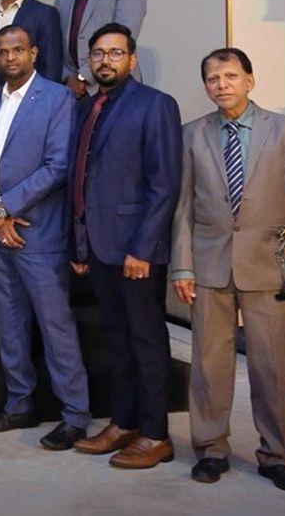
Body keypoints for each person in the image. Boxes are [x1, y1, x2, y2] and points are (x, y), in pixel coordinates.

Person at [171, 47, 285, 492]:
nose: (221, 85)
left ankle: (278, 455)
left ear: (250, 79)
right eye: (212, 79)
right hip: (209, 265)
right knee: (210, 365)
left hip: (270, 267)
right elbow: (183, 208)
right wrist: (182, 268)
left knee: (272, 366)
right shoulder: (192, 134)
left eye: (230, 76)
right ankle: (211, 449)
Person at [0, 25, 91, 449]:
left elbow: (58, 166)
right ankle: (20, 404)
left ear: (33, 53)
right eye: (2, 52)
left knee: (56, 327)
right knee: (10, 323)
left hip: (38, 233)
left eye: (18, 50)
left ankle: (74, 414)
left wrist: (4, 209)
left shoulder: (57, 98)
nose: (10, 58)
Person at [66, 23, 181, 468]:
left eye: (115, 53)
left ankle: (155, 434)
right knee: (117, 341)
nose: (105, 61)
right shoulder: (87, 107)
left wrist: (143, 249)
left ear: (132, 59)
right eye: (98, 53)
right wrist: (80, 246)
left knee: (146, 342)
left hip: (136, 251)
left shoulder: (155, 105)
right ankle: (125, 421)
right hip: (99, 246)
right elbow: (81, 178)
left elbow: (163, 184)